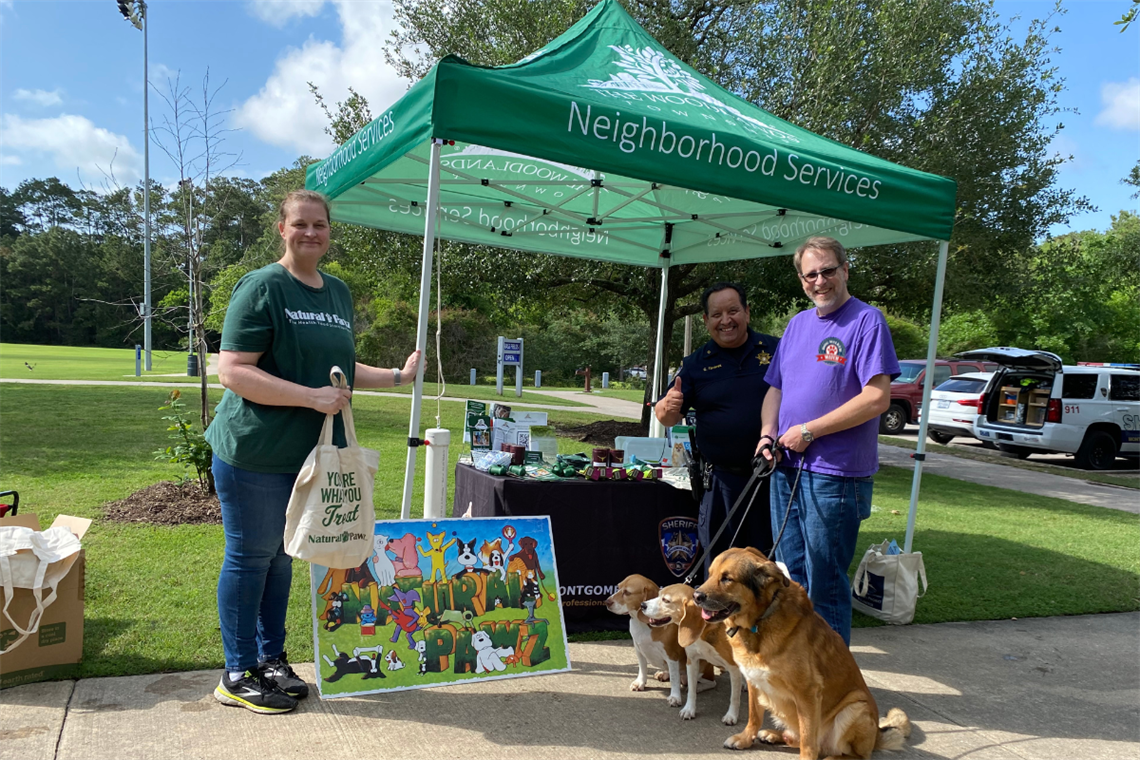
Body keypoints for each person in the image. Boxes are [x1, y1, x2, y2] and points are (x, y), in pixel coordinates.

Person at [205, 189, 420, 714]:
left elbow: (340, 367)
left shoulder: (337, 293)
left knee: (282, 557)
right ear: (282, 228)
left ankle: (271, 659)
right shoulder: (263, 287)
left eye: (319, 225)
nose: (310, 233)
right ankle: (237, 671)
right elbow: (231, 369)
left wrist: (397, 375)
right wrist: (308, 397)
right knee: (250, 556)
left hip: (306, 457)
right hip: (254, 451)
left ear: (330, 231)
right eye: (300, 224)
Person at [757, 236, 899, 646]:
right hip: (784, 467)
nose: (820, 281)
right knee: (789, 578)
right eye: (811, 274)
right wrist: (768, 434)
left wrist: (810, 430)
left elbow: (877, 398)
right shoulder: (798, 324)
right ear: (801, 280)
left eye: (828, 271)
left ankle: (831, 685)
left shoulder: (867, 321)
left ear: (845, 270)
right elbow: (775, 390)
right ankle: (799, 671)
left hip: (835, 475)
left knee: (826, 584)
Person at [656, 282, 780, 571]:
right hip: (722, 482)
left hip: (774, 478)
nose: (726, 320)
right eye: (716, 314)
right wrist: (668, 406)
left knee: (770, 565)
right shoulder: (696, 364)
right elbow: (666, 416)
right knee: (721, 566)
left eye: (733, 311)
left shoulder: (777, 349)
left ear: (747, 312)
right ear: (706, 321)